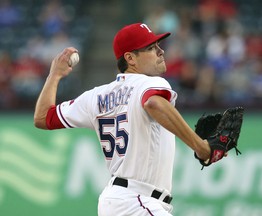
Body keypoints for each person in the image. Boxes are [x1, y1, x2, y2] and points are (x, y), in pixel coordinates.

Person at [34, 23, 211, 216]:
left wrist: (54, 75)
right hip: (137, 201)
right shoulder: (150, 82)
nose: (161, 51)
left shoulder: (95, 96)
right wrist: (201, 147)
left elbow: (44, 117)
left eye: (158, 46)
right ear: (130, 58)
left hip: (120, 201)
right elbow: (153, 104)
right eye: (151, 48)